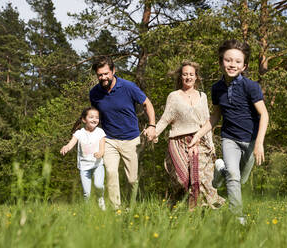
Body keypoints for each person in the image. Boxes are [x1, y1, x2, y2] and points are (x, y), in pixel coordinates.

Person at [189, 40, 269, 223]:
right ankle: (237, 216)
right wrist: (198, 135)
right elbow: (216, 116)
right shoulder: (216, 88)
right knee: (234, 177)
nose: (232, 64)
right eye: (228, 60)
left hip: (250, 140)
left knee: (241, 180)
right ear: (221, 62)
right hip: (230, 139)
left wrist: (259, 143)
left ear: (244, 66)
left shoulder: (251, 87)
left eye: (237, 61)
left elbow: (264, 114)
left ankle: (220, 170)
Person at [151, 61, 225, 209]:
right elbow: (166, 118)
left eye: (191, 74)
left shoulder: (202, 96)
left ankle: (201, 210)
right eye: (185, 74)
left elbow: (206, 121)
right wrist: (154, 131)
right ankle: (176, 206)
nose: (188, 77)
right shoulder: (173, 96)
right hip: (178, 141)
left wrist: (211, 144)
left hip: (199, 140)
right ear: (181, 77)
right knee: (181, 179)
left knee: (200, 177)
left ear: (196, 77)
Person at [90, 56, 156, 209]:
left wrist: (152, 125)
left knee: (133, 179)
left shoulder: (128, 87)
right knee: (111, 173)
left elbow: (147, 103)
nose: (103, 77)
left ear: (113, 71)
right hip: (109, 140)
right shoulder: (94, 93)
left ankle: (133, 207)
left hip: (131, 139)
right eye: (100, 75)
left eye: (106, 73)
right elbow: (96, 116)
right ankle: (116, 210)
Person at [60, 107, 106, 210]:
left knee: (98, 185)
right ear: (84, 120)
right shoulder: (79, 133)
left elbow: (102, 148)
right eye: (91, 117)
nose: (95, 119)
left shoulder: (100, 132)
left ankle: (101, 201)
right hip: (84, 168)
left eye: (97, 117)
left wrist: (100, 153)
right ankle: (87, 211)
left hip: (97, 165)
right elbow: (71, 143)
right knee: (86, 192)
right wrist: (66, 147)